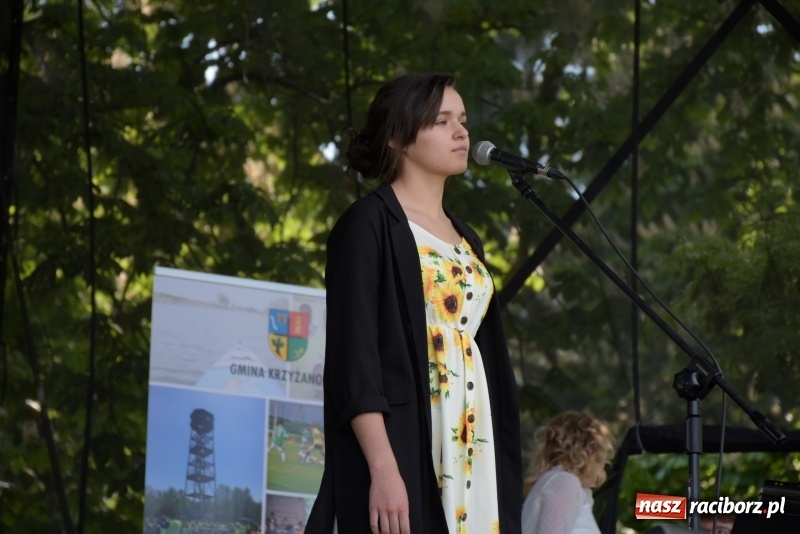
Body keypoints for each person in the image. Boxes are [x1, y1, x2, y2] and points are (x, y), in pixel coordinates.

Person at [305, 73, 522, 534]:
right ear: (400, 137)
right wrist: (384, 470)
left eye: (462, 120)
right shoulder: (367, 225)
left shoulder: (467, 237)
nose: (462, 132)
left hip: (471, 444)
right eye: (442, 121)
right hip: (406, 445)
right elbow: (355, 363)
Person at [521, 412, 615, 534]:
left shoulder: (557, 481)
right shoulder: (564, 482)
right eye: (603, 456)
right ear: (590, 452)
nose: (603, 466)